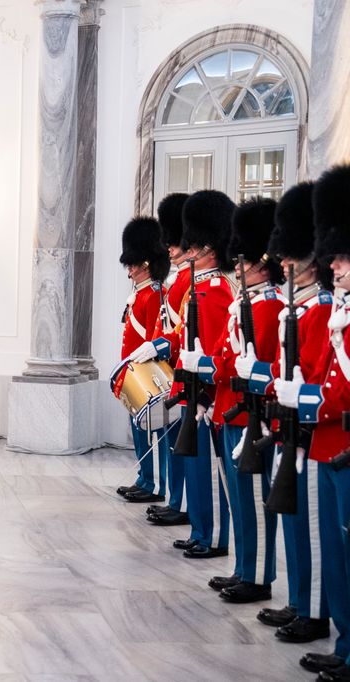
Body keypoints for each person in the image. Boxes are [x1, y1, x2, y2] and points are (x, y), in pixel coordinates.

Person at [188, 197, 284, 601]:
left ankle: (258, 576)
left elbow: (248, 361)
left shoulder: (271, 305)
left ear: (264, 260)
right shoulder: (247, 302)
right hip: (229, 410)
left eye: (246, 261)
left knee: (255, 503)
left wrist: (210, 365)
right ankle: (243, 567)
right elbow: (229, 356)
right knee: (237, 498)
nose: (239, 267)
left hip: (252, 416)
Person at [251, 181, 334, 645]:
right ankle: (301, 600)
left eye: (289, 254)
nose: (282, 263)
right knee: (294, 521)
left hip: (310, 429)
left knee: (313, 528)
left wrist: (294, 396)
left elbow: (321, 375)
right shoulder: (298, 305)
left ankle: (316, 609)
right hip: (288, 426)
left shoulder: (320, 308)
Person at [276, 164, 350, 679]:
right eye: (333, 257)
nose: (336, 267)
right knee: (338, 553)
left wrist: (305, 400)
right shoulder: (339, 309)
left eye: (343, 257)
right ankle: (345, 643)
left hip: (340, 440)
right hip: (326, 443)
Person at [150, 190, 236, 558]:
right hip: (192, 388)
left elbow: (215, 349)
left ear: (209, 248)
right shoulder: (198, 288)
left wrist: (203, 389)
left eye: (194, 245)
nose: (186, 251)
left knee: (209, 473)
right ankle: (201, 530)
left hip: (208, 395)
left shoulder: (216, 290)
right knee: (196, 467)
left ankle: (212, 536)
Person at [114, 217, 171, 504]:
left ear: (147, 262)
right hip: (133, 372)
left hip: (146, 374)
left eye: (134, 265)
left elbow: (155, 336)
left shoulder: (155, 293)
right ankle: (145, 477)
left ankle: (156, 483)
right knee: (139, 430)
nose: (131, 270)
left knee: (152, 431)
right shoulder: (140, 293)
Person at [144, 193, 192, 527]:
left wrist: (163, 345)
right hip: (170, 367)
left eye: (174, 244)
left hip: (180, 368)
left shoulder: (192, 280)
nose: (170, 249)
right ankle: (175, 498)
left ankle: (181, 501)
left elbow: (182, 328)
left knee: (181, 444)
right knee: (173, 440)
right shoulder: (180, 279)